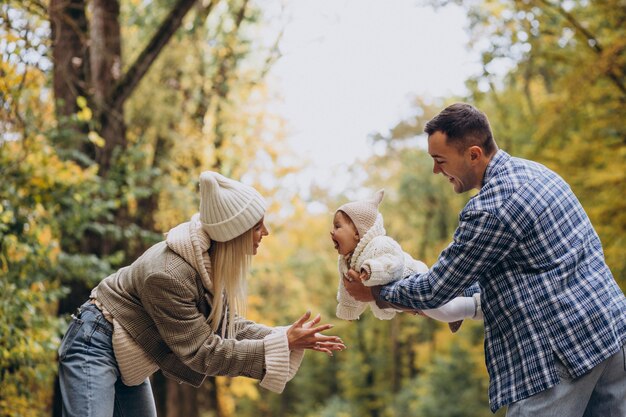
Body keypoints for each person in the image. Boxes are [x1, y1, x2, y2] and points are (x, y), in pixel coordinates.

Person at [343, 103, 626, 415]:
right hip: (611, 334)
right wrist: (461, 298)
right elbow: (518, 267)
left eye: (440, 160)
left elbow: (436, 288)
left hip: (563, 352)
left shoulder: (492, 208)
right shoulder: (539, 174)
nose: (436, 170)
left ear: (473, 154)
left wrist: (377, 294)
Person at [57, 171, 346, 417]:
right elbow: (201, 351)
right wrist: (281, 342)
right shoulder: (169, 274)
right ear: (235, 233)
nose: (266, 232)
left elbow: (230, 328)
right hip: (94, 343)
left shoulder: (206, 262)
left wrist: (287, 337)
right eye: (258, 226)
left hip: (127, 353)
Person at [331, 189, 482, 332]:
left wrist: (371, 269)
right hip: (402, 296)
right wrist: (348, 311)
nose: (332, 231)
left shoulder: (379, 244)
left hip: (415, 278)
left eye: (337, 226)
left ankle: (476, 305)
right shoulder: (345, 262)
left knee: (445, 312)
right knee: (437, 311)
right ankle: (459, 300)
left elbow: (393, 262)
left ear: (357, 233)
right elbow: (347, 289)